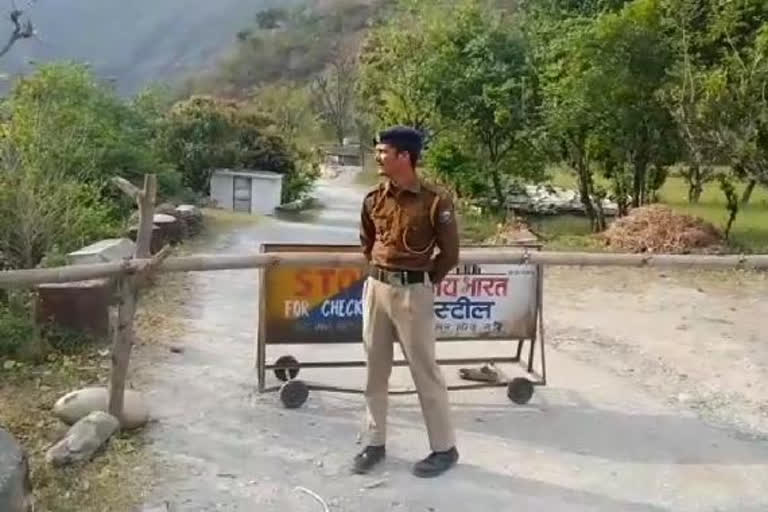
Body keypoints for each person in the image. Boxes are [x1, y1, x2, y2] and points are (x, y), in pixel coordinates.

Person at [353, 125, 460, 478]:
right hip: (377, 289)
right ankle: (374, 442)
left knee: (425, 371)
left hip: (414, 292)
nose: (378, 156)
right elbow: (368, 242)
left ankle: (444, 448)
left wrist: (422, 283)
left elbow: (449, 254)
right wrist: (380, 276)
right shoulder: (373, 199)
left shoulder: (434, 201)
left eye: (384, 151)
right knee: (375, 370)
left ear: (404, 156)